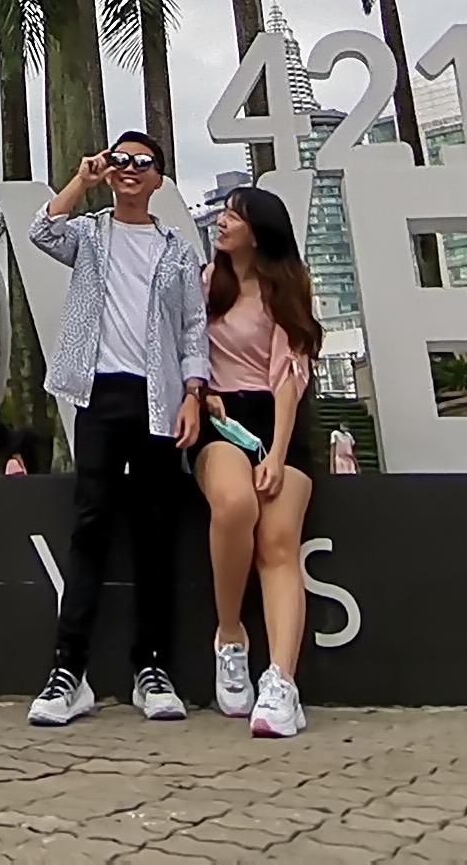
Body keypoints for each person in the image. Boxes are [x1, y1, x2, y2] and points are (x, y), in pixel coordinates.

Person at [25, 130, 209, 728]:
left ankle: (151, 669)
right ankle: (68, 672)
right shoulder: (90, 233)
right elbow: (41, 231)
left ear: (159, 178)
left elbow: (193, 329)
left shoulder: (178, 249)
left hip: (158, 398)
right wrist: (81, 179)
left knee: (155, 534)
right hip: (99, 393)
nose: (129, 169)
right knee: (90, 528)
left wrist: (193, 394)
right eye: (121, 160)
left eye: (142, 162)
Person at [194, 183, 325, 738]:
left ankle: (281, 683)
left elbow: (289, 377)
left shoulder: (288, 287)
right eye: (223, 213)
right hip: (220, 419)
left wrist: (276, 452)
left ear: (259, 230)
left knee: (278, 540)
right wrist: (200, 393)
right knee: (234, 504)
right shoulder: (206, 283)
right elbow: (184, 350)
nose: (222, 222)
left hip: (279, 420)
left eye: (234, 216)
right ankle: (230, 637)